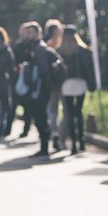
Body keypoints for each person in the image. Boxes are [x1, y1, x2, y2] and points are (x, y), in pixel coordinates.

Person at [13, 22, 61, 156]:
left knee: (41, 116)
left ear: (37, 33)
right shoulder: (32, 47)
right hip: (38, 88)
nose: (27, 35)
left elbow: (43, 70)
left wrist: (37, 83)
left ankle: (45, 147)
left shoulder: (39, 48)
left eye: (30, 32)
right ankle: (44, 145)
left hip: (40, 89)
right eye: (26, 32)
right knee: (39, 116)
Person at [57, 25, 95, 154]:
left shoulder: (60, 50)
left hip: (66, 83)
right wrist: (92, 85)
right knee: (79, 112)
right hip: (80, 82)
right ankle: (82, 142)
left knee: (69, 113)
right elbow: (89, 69)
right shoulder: (82, 49)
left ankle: (73, 144)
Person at [43, 19, 65, 151]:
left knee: (56, 110)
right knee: (54, 109)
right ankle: (56, 133)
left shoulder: (60, 44)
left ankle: (57, 133)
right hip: (55, 83)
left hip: (58, 82)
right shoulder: (50, 46)